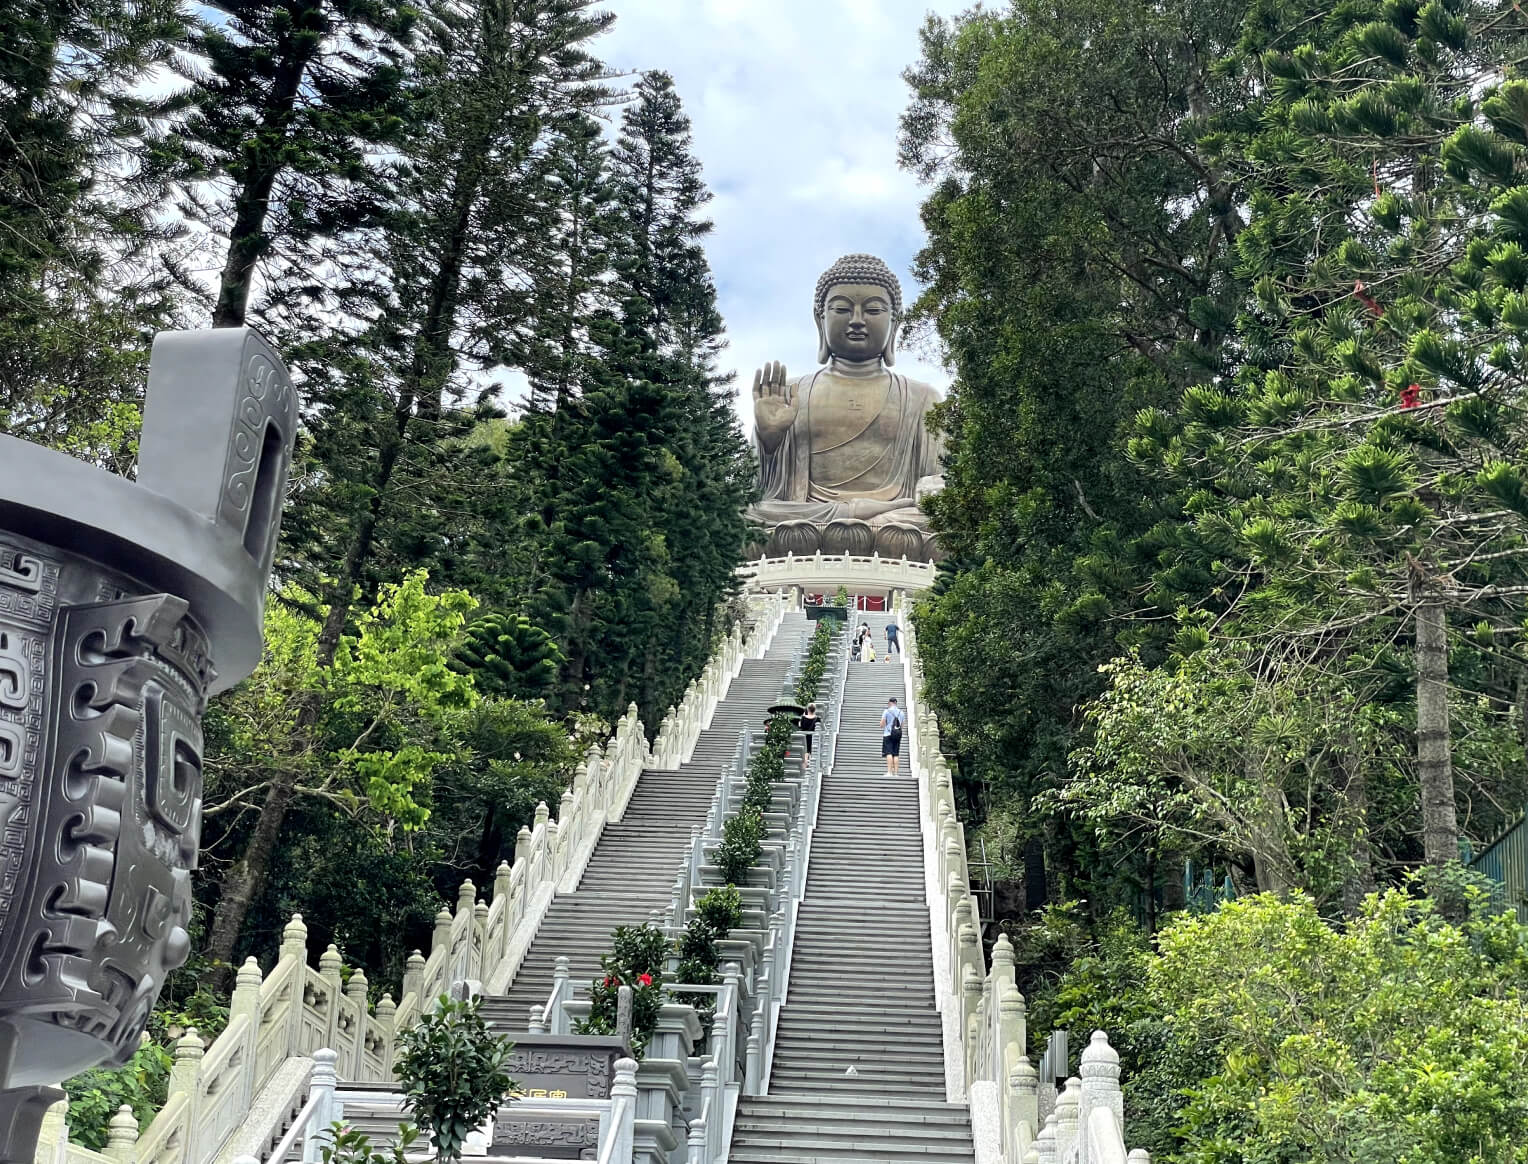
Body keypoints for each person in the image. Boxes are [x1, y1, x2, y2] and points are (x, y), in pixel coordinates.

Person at [880, 696, 905, 775]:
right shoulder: (901, 712)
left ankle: (889, 772)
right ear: (896, 703)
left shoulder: (886, 711)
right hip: (897, 735)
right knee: (896, 754)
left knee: (889, 753)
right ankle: (896, 773)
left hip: (888, 734)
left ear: (890, 703)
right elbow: (902, 725)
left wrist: (883, 725)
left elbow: (882, 724)